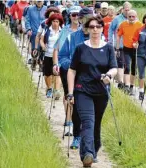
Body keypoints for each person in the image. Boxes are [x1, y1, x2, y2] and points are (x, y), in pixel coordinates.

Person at [67, 15, 117, 167]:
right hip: (83, 90)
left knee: (96, 122)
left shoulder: (108, 48)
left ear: (102, 29)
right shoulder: (81, 48)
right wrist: (70, 93)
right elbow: (72, 70)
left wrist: (109, 75)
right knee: (88, 121)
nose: (95, 29)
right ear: (87, 29)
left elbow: (114, 68)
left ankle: (94, 149)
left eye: (98, 26)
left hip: (102, 91)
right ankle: (87, 154)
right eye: (92, 27)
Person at [58, 7, 94, 149]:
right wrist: (72, 66)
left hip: (92, 79)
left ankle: (91, 142)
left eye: (91, 18)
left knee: (91, 110)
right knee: (76, 107)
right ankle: (77, 136)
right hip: (76, 77)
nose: (89, 21)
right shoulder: (71, 37)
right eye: (85, 18)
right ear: (80, 20)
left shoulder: (98, 37)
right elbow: (62, 57)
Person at [52, 5, 81, 136]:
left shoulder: (85, 30)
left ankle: (76, 120)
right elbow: (57, 49)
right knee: (68, 94)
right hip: (67, 66)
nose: (75, 17)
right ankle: (69, 120)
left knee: (79, 95)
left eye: (78, 15)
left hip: (81, 68)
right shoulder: (65, 31)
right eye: (73, 15)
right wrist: (56, 64)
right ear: (69, 16)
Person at [116, 9, 143, 95]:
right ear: (127, 16)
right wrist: (117, 49)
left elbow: (143, 39)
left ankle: (131, 86)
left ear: (136, 17)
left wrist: (138, 44)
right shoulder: (123, 24)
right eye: (129, 16)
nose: (131, 18)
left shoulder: (140, 25)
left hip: (136, 49)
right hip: (126, 48)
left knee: (134, 68)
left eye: (133, 16)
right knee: (127, 66)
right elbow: (118, 36)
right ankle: (126, 86)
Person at [40, 13, 64, 98]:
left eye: (57, 21)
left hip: (59, 56)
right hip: (48, 54)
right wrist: (43, 46)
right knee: (47, 74)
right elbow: (41, 40)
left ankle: (57, 90)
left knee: (58, 73)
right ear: (51, 22)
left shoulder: (63, 30)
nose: (55, 23)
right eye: (53, 21)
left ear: (60, 22)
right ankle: (49, 88)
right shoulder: (47, 29)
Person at [108, 1, 131, 90]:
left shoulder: (133, 18)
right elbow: (110, 30)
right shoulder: (117, 19)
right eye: (126, 10)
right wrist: (110, 41)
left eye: (129, 10)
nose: (127, 12)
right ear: (122, 9)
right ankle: (121, 83)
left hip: (129, 46)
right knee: (120, 63)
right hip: (119, 45)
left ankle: (127, 84)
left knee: (128, 64)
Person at [132, 12, 146, 100]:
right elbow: (134, 40)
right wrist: (135, 44)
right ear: (144, 20)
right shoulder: (139, 29)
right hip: (140, 54)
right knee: (141, 73)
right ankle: (141, 91)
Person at [25, 1, 47, 70]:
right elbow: (27, 20)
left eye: (40, 1)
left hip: (43, 32)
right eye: (38, 1)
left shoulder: (46, 9)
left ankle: (41, 62)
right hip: (34, 32)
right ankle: (34, 60)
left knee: (42, 48)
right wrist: (28, 29)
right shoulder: (30, 9)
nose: (39, 3)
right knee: (35, 48)